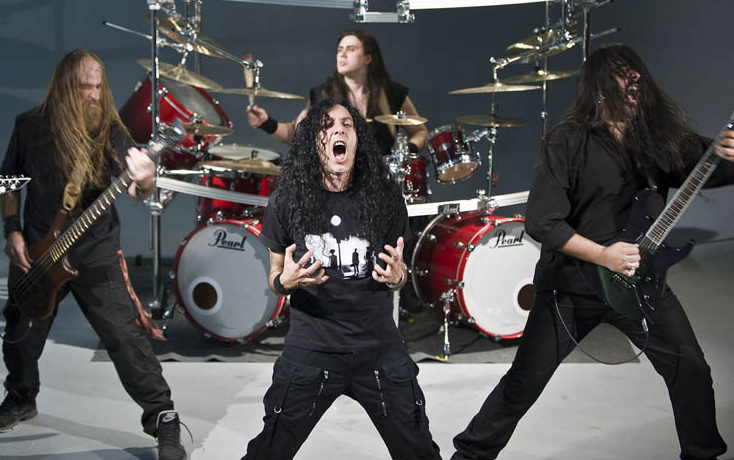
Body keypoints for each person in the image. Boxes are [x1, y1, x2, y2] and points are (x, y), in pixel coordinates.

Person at [450, 43, 734, 460]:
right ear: (599, 86)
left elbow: (713, 168)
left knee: (689, 367)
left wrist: (726, 154)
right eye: (622, 73)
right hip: (571, 288)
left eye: (636, 71)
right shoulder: (567, 141)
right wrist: (604, 255)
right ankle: (469, 456)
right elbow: (543, 222)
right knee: (524, 382)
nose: (634, 79)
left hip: (638, 283)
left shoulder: (659, 138)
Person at [0, 49, 186, 460]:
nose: (94, 95)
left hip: (95, 253)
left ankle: (162, 416)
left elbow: (137, 190)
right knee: (20, 334)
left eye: (98, 87)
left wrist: (145, 180)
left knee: (126, 338)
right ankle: (21, 396)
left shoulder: (110, 130)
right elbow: (8, 183)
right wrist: (12, 232)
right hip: (39, 255)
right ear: (64, 87)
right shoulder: (30, 127)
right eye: (84, 87)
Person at [242, 99, 441, 459]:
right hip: (312, 346)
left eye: (347, 125)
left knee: (420, 453)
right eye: (327, 125)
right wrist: (285, 282)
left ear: (357, 139)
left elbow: (399, 274)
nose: (339, 130)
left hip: (378, 345)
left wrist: (398, 277)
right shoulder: (287, 199)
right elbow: (274, 276)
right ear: (313, 141)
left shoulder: (384, 196)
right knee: (269, 452)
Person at [246, 29, 428, 155]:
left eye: (351, 49)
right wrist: (266, 122)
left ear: (368, 58)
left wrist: (408, 149)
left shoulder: (391, 92)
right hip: (337, 182)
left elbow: (420, 131)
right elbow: (293, 134)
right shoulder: (323, 93)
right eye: (340, 50)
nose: (342, 54)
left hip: (381, 179)